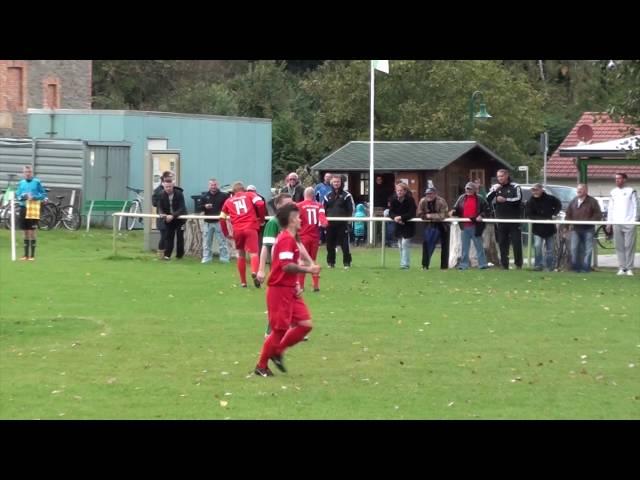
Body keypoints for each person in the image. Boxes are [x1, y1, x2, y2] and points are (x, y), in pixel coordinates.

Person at [254, 203, 321, 377]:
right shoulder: (285, 239)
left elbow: (289, 264)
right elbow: (285, 266)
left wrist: (296, 283)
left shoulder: (292, 237)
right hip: (279, 290)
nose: (300, 219)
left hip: (290, 289)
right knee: (279, 330)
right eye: (298, 217)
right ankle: (261, 365)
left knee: (305, 325)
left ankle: (278, 351)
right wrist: (309, 269)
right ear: (291, 220)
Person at [220, 181, 266, 288]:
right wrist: (262, 218)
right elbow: (261, 203)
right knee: (254, 253)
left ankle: (243, 282)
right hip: (250, 227)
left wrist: (226, 233)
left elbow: (222, 218)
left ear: (233, 191)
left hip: (237, 229)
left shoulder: (228, 201)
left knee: (240, 254)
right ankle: (254, 271)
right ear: (244, 189)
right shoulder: (249, 194)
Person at [486, 169, 523, 270]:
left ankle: (518, 264)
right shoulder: (496, 187)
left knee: (516, 242)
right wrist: (494, 191)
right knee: (502, 242)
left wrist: (505, 200)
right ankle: (504, 264)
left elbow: (518, 199)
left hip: (514, 220)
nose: (500, 178)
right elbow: (487, 199)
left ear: (507, 176)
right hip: (501, 220)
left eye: (502, 176)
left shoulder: (515, 186)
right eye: (498, 176)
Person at [449, 182, 490, 270]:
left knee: (479, 247)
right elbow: (456, 208)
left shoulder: (480, 198)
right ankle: (464, 265)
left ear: (474, 190)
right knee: (464, 248)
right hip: (464, 226)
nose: (468, 190)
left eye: (470, 189)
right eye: (467, 188)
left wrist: (481, 215)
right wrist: (453, 212)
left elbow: (487, 209)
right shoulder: (461, 198)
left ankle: (482, 265)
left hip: (476, 226)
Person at [565, 184, 602, 273]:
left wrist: (588, 222)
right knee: (574, 249)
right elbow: (568, 214)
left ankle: (586, 269)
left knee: (587, 250)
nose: (579, 191)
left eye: (581, 189)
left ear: (586, 191)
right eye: (578, 189)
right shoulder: (573, 201)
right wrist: (566, 226)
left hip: (588, 229)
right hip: (575, 229)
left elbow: (598, 215)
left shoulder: (593, 201)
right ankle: (575, 268)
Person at [525, 183, 562, 271]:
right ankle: (538, 265)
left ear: (541, 189)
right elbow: (529, 215)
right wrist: (542, 218)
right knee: (537, 246)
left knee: (551, 249)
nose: (534, 192)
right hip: (538, 229)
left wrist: (554, 214)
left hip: (550, 228)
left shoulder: (550, 198)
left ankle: (549, 266)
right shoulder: (530, 201)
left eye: (536, 189)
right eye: (533, 190)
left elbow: (558, 205)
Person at [297, 187, 328, 291]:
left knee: (302, 261)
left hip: (303, 237)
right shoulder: (319, 205)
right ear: (314, 195)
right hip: (315, 237)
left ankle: (301, 286)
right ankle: (316, 285)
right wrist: (323, 224)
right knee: (313, 260)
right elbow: (323, 221)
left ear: (304, 195)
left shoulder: (299, 206)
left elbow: (295, 220)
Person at [607, 173, 637, 276]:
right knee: (619, 246)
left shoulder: (631, 191)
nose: (617, 181)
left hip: (629, 223)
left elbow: (636, 206)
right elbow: (610, 208)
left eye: (619, 179)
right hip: (616, 222)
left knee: (629, 245)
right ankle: (622, 267)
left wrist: (634, 220)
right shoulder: (613, 192)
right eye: (616, 179)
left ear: (624, 180)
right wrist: (609, 223)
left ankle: (629, 268)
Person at [15, 165, 46, 261]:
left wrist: (35, 197)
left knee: (32, 231)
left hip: (33, 208)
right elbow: (18, 195)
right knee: (24, 231)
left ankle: (32, 255)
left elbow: (43, 194)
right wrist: (23, 196)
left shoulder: (37, 182)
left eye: (29, 172)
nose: (27, 174)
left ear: (31, 173)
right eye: (25, 172)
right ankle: (25, 255)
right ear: (23, 173)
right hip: (23, 208)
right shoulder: (21, 183)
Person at [323, 174, 355, 269]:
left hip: (342, 224)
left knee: (345, 246)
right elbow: (323, 211)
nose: (336, 183)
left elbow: (351, 210)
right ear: (331, 183)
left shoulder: (347, 196)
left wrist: (348, 222)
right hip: (330, 225)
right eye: (334, 182)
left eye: (338, 182)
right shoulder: (327, 196)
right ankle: (330, 263)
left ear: (341, 183)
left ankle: (347, 263)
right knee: (330, 245)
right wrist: (324, 222)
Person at [417, 186, 449, 270]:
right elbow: (419, 213)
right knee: (426, 244)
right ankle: (425, 265)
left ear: (435, 194)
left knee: (445, 246)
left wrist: (429, 215)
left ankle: (444, 266)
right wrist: (428, 216)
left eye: (431, 194)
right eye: (427, 194)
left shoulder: (441, 201)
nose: (429, 195)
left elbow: (443, 215)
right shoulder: (422, 201)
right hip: (429, 225)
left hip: (442, 225)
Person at [199, 178, 230, 264]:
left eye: (215, 185)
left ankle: (224, 258)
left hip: (219, 222)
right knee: (206, 242)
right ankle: (206, 258)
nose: (213, 187)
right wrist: (205, 206)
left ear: (218, 185)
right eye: (211, 185)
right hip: (207, 223)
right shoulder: (204, 196)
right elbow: (199, 207)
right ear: (209, 186)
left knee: (222, 241)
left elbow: (228, 207)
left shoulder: (223, 196)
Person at [388, 182, 417, 269]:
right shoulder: (393, 200)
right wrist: (395, 217)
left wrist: (401, 217)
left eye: (401, 190)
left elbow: (411, 213)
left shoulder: (410, 200)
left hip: (408, 225)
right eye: (397, 190)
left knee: (405, 244)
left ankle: (405, 264)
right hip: (398, 225)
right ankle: (403, 262)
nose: (399, 192)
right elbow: (391, 212)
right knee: (400, 245)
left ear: (405, 191)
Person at [157, 178, 187, 260]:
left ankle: (179, 256)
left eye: (170, 186)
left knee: (180, 237)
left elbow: (182, 207)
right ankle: (167, 255)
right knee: (168, 237)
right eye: (166, 187)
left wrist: (173, 215)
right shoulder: (161, 194)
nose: (168, 188)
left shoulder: (179, 193)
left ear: (173, 186)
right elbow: (160, 207)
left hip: (180, 218)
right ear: (163, 186)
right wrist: (162, 214)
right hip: (168, 219)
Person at [152, 171, 175, 257]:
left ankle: (167, 255)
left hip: (171, 217)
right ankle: (161, 254)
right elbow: (154, 203)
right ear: (164, 179)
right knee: (164, 236)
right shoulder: (158, 190)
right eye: (169, 178)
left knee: (169, 236)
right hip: (162, 217)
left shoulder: (174, 189)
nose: (171, 180)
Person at [247, 184, 267, 252]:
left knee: (252, 240)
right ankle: (257, 255)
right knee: (259, 240)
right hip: (257, 221)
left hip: (249, 222)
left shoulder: (244, 197)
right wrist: (262, 220)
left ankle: (253, 255)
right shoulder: (260, 197)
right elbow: (264, 209)